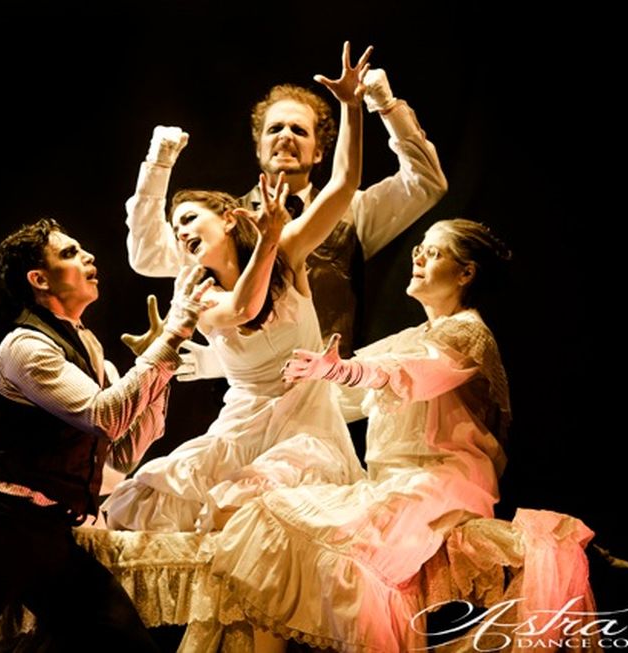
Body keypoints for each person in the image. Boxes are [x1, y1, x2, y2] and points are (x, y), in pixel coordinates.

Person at [211, 219, 513, 652]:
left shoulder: (467, 332)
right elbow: (340, 392)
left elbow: (410, 373)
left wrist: (342, 370)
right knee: (272, 517)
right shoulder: (413, 336)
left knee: (343, 550)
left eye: (434, 252)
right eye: (419, 248)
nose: (418, 256)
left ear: (466, 273)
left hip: (446, 483)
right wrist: (243, 372)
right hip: (394, 483)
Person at [0, 219, 213, 652]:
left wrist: (161, 368)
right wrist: (169, 338)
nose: (89, 256)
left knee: (128, 644)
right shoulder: (25, 346)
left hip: (49, 531)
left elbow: (122, 453)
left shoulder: (87, 344)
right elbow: (105, 416)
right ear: (39, 279)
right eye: (70, 253)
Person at [105, 43, 370, 533]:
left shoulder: (286, 250)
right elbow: (244, 309)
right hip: (243, 425)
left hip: (307, 427)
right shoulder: (195, 290)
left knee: (267, 506)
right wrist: (268, 240)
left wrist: (352, 106)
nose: (181, 232)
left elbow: (344, 184)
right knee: (154, 497)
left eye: (189, 218)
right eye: (176, 227)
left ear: (228, 219)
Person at [126, 54, 447, 363]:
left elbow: (426, 182)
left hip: (336, 384)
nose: (285, 136)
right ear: (259, 147)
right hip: (259, 385)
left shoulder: (353, 211)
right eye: (275, 128)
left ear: (319, 151)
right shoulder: (225, 225)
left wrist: (386, 106)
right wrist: (157, 164)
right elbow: (149, 255)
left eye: (299, 130)